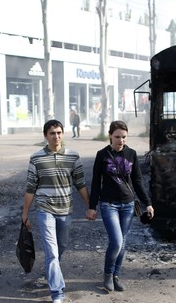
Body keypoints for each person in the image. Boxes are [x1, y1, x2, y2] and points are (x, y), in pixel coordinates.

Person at [21, 119, 95, 303]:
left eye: (59, 132)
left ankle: (51, 272)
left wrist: (90, 206)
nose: (56, 136)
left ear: (63, 134)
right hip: (45, 209)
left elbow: (80, 184)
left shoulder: (73, 156)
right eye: (52, 133)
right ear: (46, 135)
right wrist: (25, 214)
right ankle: (57, 292)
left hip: (65, 210)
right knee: (52, 252)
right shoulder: (36, 158)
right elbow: (30, 188)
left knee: (61, 247)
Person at [88, 120, 154, 292]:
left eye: (124, 137)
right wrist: (92, 206)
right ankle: (107, 275)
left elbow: (138, 181)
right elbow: (96, 183)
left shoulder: (131, 154)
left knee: (123, 243)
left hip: (128, 204)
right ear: (110, 135)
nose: (121, 140)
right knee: (116, 241)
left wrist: (148, 203)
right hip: (108, 204)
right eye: (117, 137)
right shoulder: (102, 155)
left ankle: (116, 276)